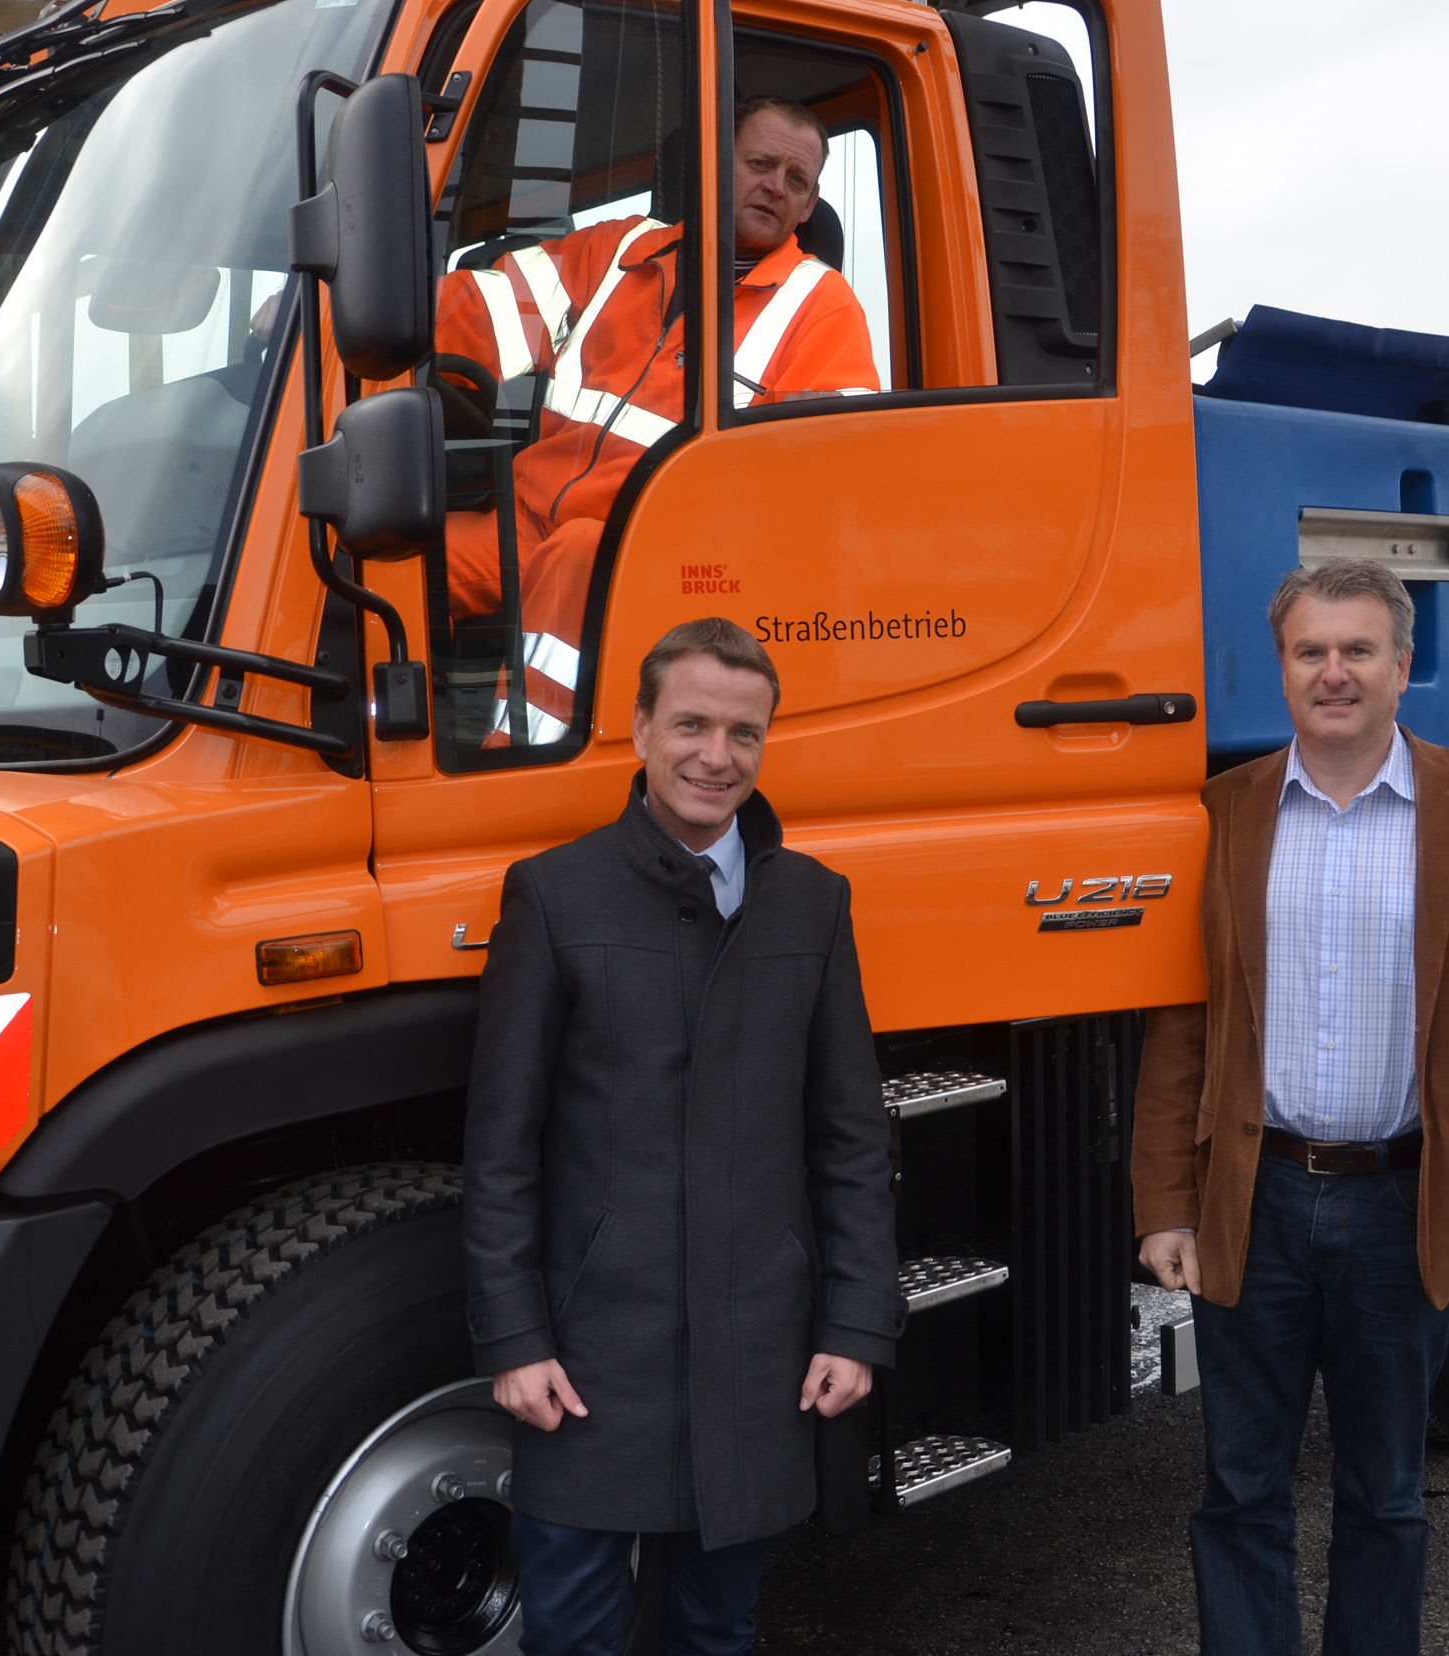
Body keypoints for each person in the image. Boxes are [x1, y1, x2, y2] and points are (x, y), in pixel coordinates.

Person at [1131, 558, 1449, 1655]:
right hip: (1253, 1207)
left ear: (1402, 666)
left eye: (1357, 651)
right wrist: (1165, 1202)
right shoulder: (1224, 813)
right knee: (1238, 1491)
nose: (1333, 672)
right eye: (1310, 652)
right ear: (1281, 669)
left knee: (1384, 1500)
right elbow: (1185, 1029)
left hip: (1405, 1207)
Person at [462, 616, 904, 1655]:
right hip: (591, 1363)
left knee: (719, 1630)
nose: (717, 756)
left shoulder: (811, 902)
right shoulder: (554, 894)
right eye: (693, 724)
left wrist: (855, 1323)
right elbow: (500, 1148)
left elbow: (848, 1139)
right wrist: (516, 1341)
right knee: (572, 1635)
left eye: (744, 733)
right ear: (639, 729)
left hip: (759, 1352)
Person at [434, 98, 880, 743]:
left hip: (659, 552)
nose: (775, 187)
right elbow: (480, 311)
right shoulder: (618, 253)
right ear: (716, 164)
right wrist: (328, 325)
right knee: (388, 563)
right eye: (759, 163)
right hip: (525, 519)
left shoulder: (823, 306)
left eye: (797, 180)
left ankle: (520, 770)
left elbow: (828, 474)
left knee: (578, 557)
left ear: (809, 207)